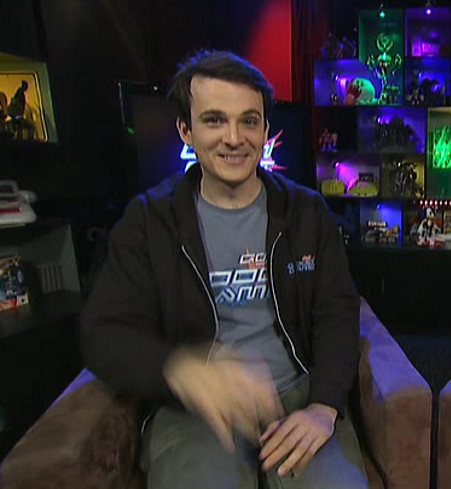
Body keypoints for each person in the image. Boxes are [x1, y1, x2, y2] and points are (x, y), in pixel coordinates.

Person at [80, 50, 367, 489]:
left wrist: (323, 406)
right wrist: (179, 369)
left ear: (266, 132)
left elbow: (338, 312)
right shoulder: (148, 220)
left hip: (297, 398)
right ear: (186, 130)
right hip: (195, 410)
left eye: (248, 121)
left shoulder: (308, 212)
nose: (234, 138)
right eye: (214, 120)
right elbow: (101, 333)